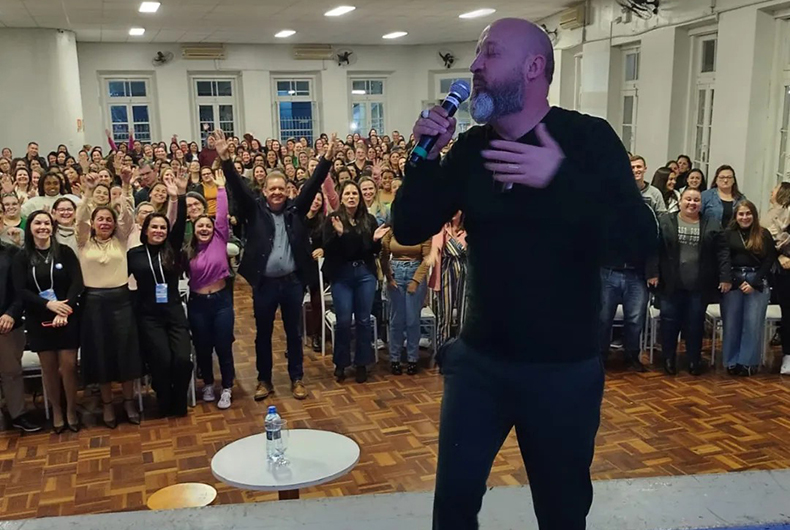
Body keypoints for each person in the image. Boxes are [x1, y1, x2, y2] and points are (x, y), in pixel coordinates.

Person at [391, 18, 656, 530]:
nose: (474, 67)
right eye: (477, 55)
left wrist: (558, 179)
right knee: (452, 510)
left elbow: (641, 239)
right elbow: (408, 224)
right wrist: (424, 157)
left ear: (534, 67)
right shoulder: (471, 149)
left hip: (563, 372)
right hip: (479, 366)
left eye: (489, 54)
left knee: (561, 513)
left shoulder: (586, 139)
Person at [216, 129, 333, 401]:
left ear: (288, 190)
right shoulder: (253, 209)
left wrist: (326, 160)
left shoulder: (296, 209)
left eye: (282, 188)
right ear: (265, 191)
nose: (277, 193)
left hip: (292, 282)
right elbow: (237, 186)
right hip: (265, 284)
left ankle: (297, 378)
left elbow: (314, 184)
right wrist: (225, 160)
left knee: (294, 333)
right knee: (263, 335)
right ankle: (264, 380)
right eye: (273, 189)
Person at [76, 168, 141, 428]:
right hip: (93, 302)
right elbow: (80, 218)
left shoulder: (121, 240)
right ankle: (106, 405)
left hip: (121, 300)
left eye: (108, 220)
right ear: (94, 223)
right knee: (101, 355)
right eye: (100, 219)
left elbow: (126, 216)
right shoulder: (83, 241)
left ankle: (127, 401)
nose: (105, 223)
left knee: (125, 353)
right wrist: (89, 191)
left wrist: (125, 187)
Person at [13, 210, 83, 433]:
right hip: (38, 318)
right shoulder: (21, 257)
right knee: (49, 368)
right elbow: (20, 289)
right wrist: (48, 306)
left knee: (69, 366)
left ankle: (72, 409)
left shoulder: (64, 252)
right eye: (37, 223)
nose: (42, 227)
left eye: (46, 223)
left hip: (67, 316)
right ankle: (57, 411)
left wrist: (65, 308)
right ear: (30, 227)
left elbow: (77, 283)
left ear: (52, 227)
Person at [649, 188, 731, 376]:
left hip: (699, 285)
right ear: (680, 202)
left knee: (695, 324)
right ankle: (669, 358)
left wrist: (725, 277)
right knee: (669, 323)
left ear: (700, 204)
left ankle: (694, 360)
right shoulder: (665, 222)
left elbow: (723, 252)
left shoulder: (711, 224)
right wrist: (652, 273)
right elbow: (654, 250)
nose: (692, 203)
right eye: (688, 199)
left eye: (696, 200)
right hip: (671, 284)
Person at [128, 172, 191, 416]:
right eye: (153, 227)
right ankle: (164, 398)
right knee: (162, 361)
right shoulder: (134, 254)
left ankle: (179, 399)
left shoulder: (171, 247)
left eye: (162, 227)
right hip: (148, 315)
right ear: (145, 230)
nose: (158, 231)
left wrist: (179, 196)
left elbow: (181, 218)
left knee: (183, 360)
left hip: (174, 311)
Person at [323, 181, 390, 383]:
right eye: (347, 194)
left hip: (364, 274)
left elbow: (370, 251)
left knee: (363, 320)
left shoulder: (368, 220)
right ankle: (341, 363)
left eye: (355, 194)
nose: (351, 197)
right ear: (341, 198)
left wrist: (375, 241)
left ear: (360, 198)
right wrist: (342, 235)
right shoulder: (332, 219)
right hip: (341, 274)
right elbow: (329, 248)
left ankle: (362, 363)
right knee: (343, 321)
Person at [185, 168, 235, 410]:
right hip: (197, 304)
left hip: (221, 302)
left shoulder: (220, 237)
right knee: (203, 346)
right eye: (199, 226)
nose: (204, 228)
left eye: (207, 225)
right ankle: (207, 383)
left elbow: (223, 215)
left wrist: (222, 189)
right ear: (194, 230)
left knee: (223, 344)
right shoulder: (189, 250)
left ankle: (226, 387)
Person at [721, 201, 775, 376]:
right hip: (733, 279)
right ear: (735, 217)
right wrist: (736, 280)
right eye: (741, 214)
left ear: (754, 215)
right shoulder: (728, 234)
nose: (745, 218)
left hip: (757, 280)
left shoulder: (763, 234)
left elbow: (769, 260)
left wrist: (754, 282)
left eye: (748, 214)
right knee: (731, 323)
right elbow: (723, 259)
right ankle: (731, 361)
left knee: (752, 323)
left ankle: (746, 363)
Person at [0, 239, 42, 432]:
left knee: (11, 373)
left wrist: (11, 313)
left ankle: (18, 414)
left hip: (7, 322)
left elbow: (21, 289)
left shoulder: (12, 252)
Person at [380, 231, 431, 375]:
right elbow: (383, 256)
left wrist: (416, 281)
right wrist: (389, 277)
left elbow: (427, 258)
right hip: (396, 272)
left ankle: (412, 359)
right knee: (396, 319)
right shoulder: (391, 231)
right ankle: (395, 359)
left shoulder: (424, 231)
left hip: (415, 272)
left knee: (412, 320)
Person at [766, 182, 790, 374]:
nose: (771, 191)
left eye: (774, 188)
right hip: (781, 272)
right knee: (787, 313)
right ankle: (787, 355)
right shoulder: (772, 213)